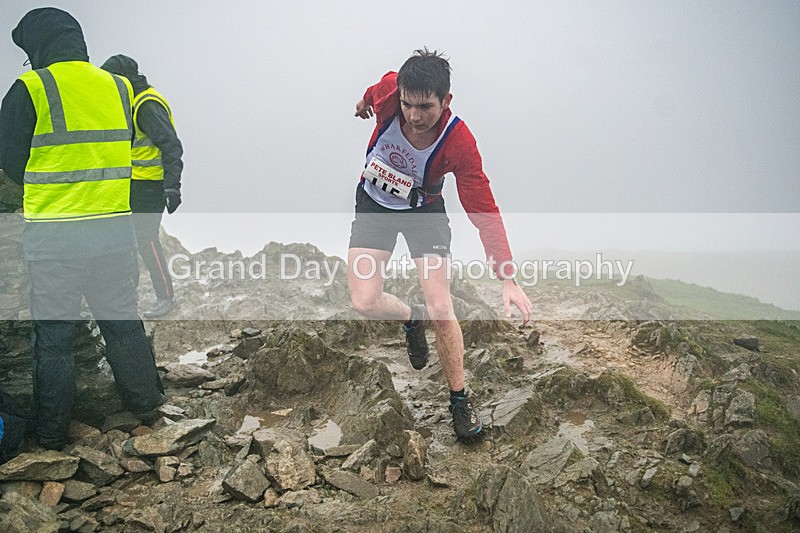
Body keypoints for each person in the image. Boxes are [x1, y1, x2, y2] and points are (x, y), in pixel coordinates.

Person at [0, 7, 164, 450]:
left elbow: (11, 160)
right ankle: (145, 406)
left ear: (38, 45)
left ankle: (52, 434)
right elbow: (125, 144)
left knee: (53, 339)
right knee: (123, 323)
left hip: (55, 235)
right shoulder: (117, 85)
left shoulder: (30, 87)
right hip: (112, 229)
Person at [349, 49, 533, 441]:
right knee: (364, 301)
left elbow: (483, 206)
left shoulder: (459, 142)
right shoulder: (389, 91)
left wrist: (507, 277)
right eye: (407, 104)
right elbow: (374, 90)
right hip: (374, 203)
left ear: (446, 101)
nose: (414, 116)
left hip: (424, 213)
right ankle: (411, 318)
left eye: (426, 107)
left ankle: (459, 401)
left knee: (442, 305)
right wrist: (364, 102)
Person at [100, 55, 183, 319]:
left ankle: (167, 297)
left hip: (150, 186)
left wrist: (172, 188)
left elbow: (171, 145)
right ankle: (137, 294)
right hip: (137, 184)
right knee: (133, 239)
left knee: (147, 241)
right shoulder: (134, 102)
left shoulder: (147, 105)